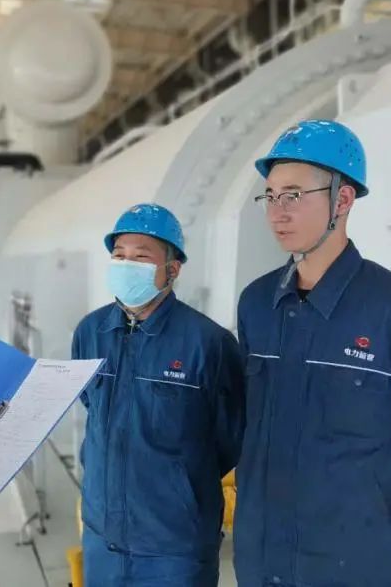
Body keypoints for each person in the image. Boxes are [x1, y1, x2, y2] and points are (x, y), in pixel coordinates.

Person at [233, 120, 391, 586]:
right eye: (270, 196)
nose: (277, 212)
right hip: (263, 557)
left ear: (342, 200)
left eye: (293, 195)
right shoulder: (257, 303)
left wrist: (382, 490)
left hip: (361, 560)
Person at [72, 203, 245, 586]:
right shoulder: (91, 332)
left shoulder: (209, 343)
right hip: (102, 537)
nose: (126, 265)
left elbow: (230, 438)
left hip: (175, 546)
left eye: (140, 257)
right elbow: (92, 409)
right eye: (119, 255)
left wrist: (176, 484)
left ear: (173, 269)